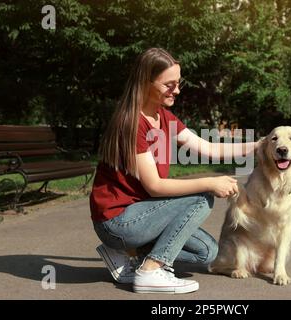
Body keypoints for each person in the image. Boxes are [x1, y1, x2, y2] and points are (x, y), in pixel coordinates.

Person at [90, 47, 261, 294]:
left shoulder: (164, 117)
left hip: (144, 215)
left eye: (178, 83)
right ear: (145, 83)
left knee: (206, 252)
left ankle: (131, 257)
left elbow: (208, 147)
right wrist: (210, 183)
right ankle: (151, 270)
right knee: (202, 198)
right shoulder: (131, 123)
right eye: (169, 85)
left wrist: (257, 145)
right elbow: (156, 186)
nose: (177, 90)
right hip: (118, 221)